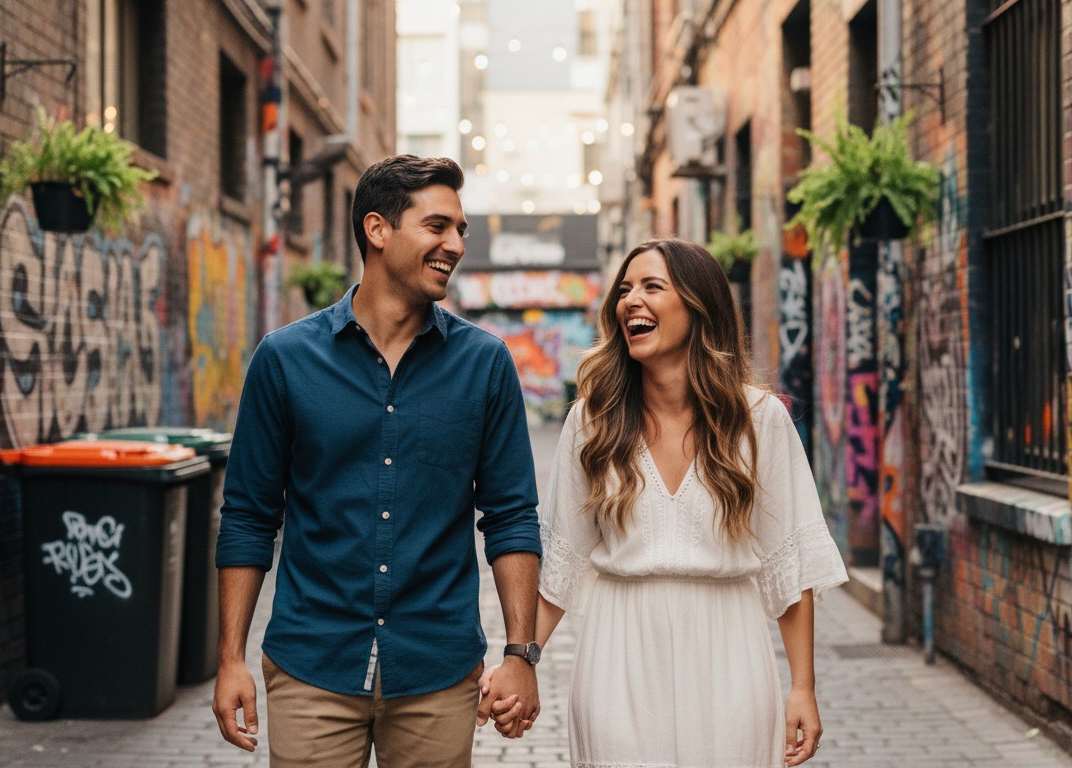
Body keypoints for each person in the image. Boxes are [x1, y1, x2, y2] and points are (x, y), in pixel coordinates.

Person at [214, 154, 542, 767]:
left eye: (461, 230)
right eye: (437, 226)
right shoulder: (285, 361)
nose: (455, 245)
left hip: (438, 671)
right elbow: (249, 517)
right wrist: (230, 658)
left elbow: (512, 517)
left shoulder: (485, 364)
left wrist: (521, 655)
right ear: (377, 229)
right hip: (312, 663)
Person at [478, 238, 848, 766]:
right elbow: (559, 566)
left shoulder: (760, 420)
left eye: (652, 286)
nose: (632, 300)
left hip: (730, 652)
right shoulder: (592, 421)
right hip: (618, 652)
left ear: (699, 307)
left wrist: (803, 688)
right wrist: (520, 660)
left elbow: (788, 569)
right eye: (625, 290)